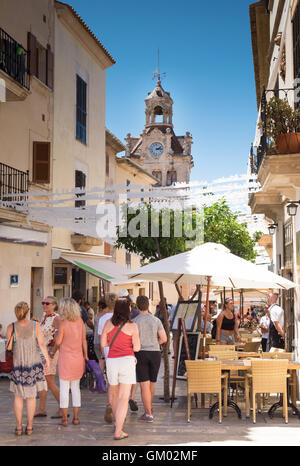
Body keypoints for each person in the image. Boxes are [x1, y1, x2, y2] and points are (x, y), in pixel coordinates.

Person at [7, 302, 49, 436]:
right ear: (27, 312)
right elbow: (42, 344)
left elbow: (8, 348)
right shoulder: (35, 325)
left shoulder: (11, 327)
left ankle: (19, 427)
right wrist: (47, 360)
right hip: (33, 365)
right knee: (31, 397)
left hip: (18, 365)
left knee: (18, 397)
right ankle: (29, 427)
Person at [100, 298, 140, 440]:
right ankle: (119, 431)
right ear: (127, 309)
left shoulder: (107, 324)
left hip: (112, 361)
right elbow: (137, 347)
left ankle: (118, 424)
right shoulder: (132, 326)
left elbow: (104, 343)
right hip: (127, 361)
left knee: (115, 395)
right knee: (124, 398)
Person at [50, 298, 88, 426]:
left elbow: (58, 342)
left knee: (64, 389)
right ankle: (76, 418)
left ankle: (64, 419)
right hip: (78, 358)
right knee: (76, 388)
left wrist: (52, 351)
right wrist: (86, 355)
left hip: (66, 359)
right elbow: (84, 340)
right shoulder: (80, 322)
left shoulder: (63, 323)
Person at [133, 295, 167, 423]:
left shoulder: (135, 321)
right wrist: (155, 342)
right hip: (155, 353)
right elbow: (164, 339)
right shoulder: (156, 320)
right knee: (152, 383)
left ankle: (147, 414)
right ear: (148, 305)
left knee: (144, 385)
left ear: (137, 306)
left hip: (140, 353)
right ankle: (149, 408)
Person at [35, 296, 62, 418]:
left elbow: (59, 336)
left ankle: (63, 407)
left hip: (49, 353)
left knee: (50, 382)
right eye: (43, 303)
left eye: (47, 303)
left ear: (54, 305)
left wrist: (52, 351)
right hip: (41, 352)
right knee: (42, 381)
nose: (44, 305)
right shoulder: (44, 317)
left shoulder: (56, 318)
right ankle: (42, 409)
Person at [97, 292, 117, 423]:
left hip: (108, 352)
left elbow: (101, 339)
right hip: (120, 352)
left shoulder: (102, 319)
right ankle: (118, 408)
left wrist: (104, 354)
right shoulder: (121, 317)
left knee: (111, 382)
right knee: (119, 383)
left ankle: (110, 403)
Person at [94, 298, 107, 371]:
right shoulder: (107, 316)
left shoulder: (96, 316)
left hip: (96, 341)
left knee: (100, 361)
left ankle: (100, 380)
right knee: (107, 361)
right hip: (105, 342)